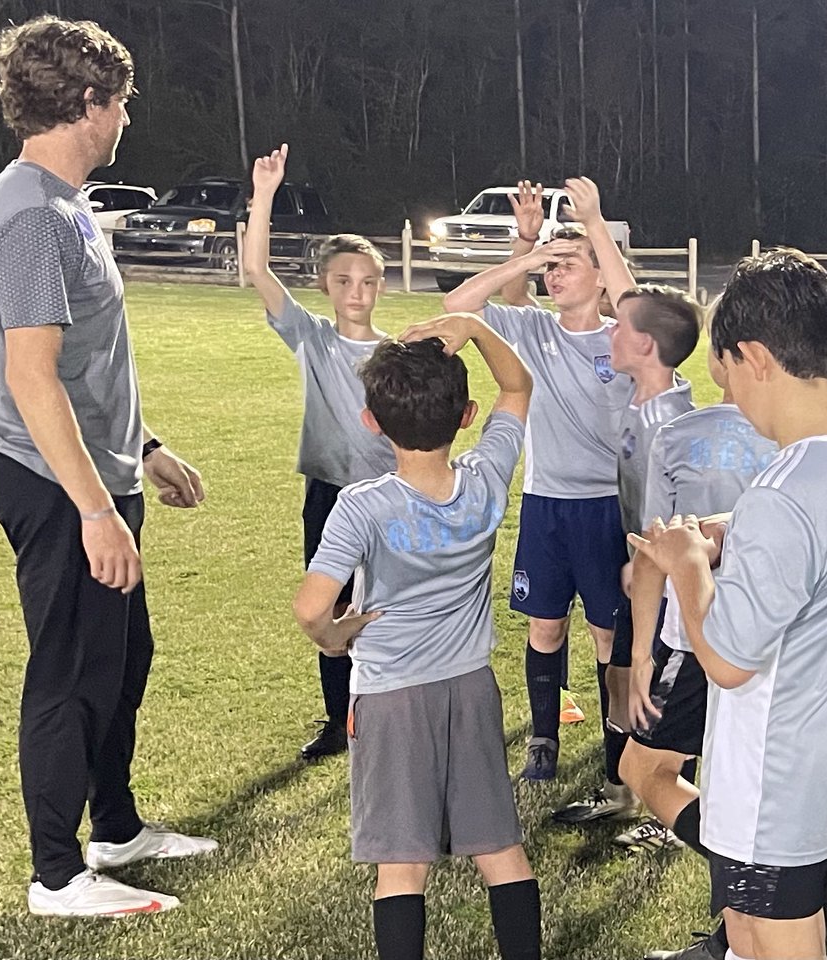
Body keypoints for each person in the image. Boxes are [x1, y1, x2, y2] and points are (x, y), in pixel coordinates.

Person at [0, 15, 215, 917]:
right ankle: (57, 875)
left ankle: (113, 826)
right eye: (120, 104)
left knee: (122, 661)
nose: (126, 121)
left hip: (98, 474)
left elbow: (88, 364)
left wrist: (143, 451)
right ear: (87, 104)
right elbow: (32, 380)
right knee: (70, 674)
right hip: (55, 484)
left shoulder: (63, 203)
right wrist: (95, 510)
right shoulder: (33, 216)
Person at [631, 249, 827, 960]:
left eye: (726, 372)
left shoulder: (783, 494)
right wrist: (735, 531)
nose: (728, 394)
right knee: (747, 946)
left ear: (755, 357)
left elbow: (726, 660)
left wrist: (689, 563)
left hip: (770, 790)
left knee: (771, 946)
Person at [292, 312, 540, 960]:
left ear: (371, 422)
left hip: (391, 697)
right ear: (467, 416)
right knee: (500, 850)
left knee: (402, 866)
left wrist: (333, 637)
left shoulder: (363, 505)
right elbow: (519, 389)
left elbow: (311, 606)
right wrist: (475, 328)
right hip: (470, 687)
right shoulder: (485, 479)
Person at [443, 178, 636, 800]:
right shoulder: (533, 331)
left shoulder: (623, 338)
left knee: (609, 637)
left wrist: (593, 227)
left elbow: (632, 297)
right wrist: (528, 251)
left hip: (608, 510)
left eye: (567, 265)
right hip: (546, 505)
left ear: (601, 276)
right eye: (550, 269)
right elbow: (458, 306)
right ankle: (543, 742)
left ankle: (617, 750)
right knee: (544, 627)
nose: (554, 276)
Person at [551, 182, 700, 827]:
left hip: (660, 581)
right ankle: (625, 793)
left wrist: (642, 566)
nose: (611, 323)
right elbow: (633, 301)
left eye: (622, 325)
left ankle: (653, 795)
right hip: (637, 564)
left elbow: (670, 521)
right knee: (619, 672)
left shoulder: (671, 422)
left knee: (645, 682)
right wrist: (590, 222)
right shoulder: (637, 392)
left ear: (643, 347)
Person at [244, 143, 397, 761]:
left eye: (366, 281)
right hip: (330, 493)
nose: (355, 291)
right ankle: (339, 719)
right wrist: (264, 196)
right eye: (343, 281)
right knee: (332, 605)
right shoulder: (313, 339)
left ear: (380, 286)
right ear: (326, 286)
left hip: (388, 498)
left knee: (383, 604)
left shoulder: (399, 353)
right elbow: (257, 269)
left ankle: (383, 710)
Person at [610, 333, 777, 864]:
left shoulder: (679, 435)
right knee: (753, 772)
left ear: (722, 359)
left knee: (643, 769)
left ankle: (754, 871)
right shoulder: (802, 439)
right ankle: (764, 893)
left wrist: (640, 656)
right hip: (776, 636)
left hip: (698, 635)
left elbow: (649, 555)